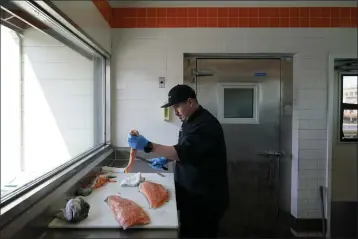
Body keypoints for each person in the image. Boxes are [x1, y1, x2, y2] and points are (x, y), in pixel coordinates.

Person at [127, 84, 229, 238]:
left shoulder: (205, 125)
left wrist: (148, 146)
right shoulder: (189, 120)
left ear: (190, 102)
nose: (174, 112)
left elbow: (182, 152)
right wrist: (166, 158)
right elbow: (188, 150)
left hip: (204, 198)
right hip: (192, 193)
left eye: (177, 107)